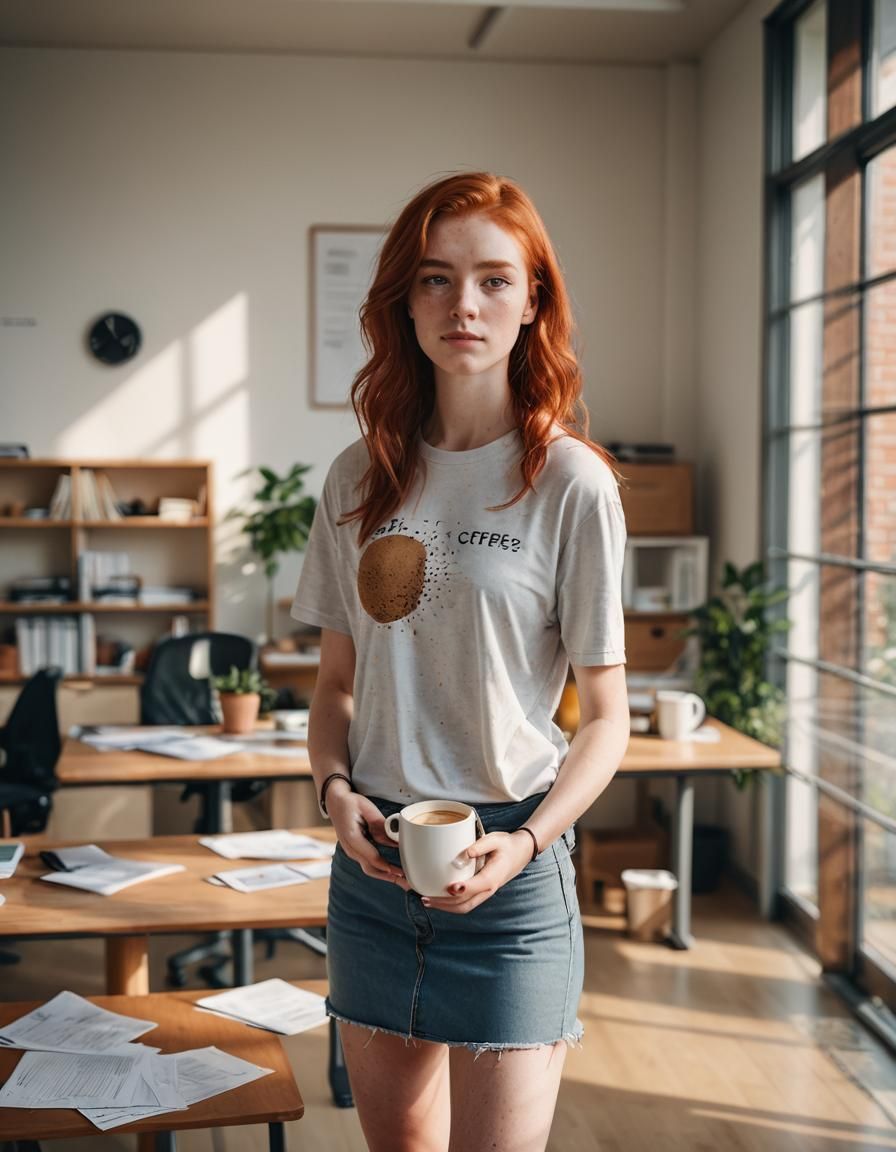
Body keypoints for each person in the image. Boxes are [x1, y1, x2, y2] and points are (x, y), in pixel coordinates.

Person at [291, 171, 630, 1152]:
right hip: (374, 870)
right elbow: (334, 687)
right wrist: (332, 791)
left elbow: (606, 717)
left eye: (492, 280)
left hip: (513, 873)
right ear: (405, 301)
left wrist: (527, 845)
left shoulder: (569, 483)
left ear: (532, 302)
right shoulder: (358, 477)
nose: (463, 305)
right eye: (435, 279)